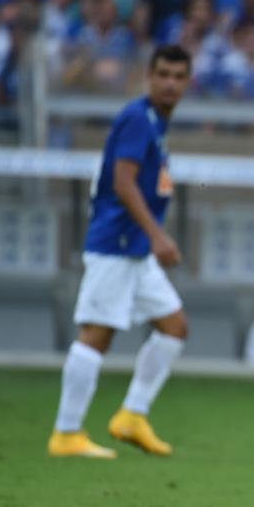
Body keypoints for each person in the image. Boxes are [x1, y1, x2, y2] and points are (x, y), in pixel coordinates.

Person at [48, 45, 192, 459]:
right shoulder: (137, 119)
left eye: (178, 76)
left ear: (187, 82)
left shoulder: (155, 123)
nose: (170, 83)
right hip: (116, 245)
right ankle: (66, 433)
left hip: (136, 250)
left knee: (174, 326)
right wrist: (158, 236)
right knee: (97, 335)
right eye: (163, 74)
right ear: (149, 76)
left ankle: (132, 415)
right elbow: (123, 182)